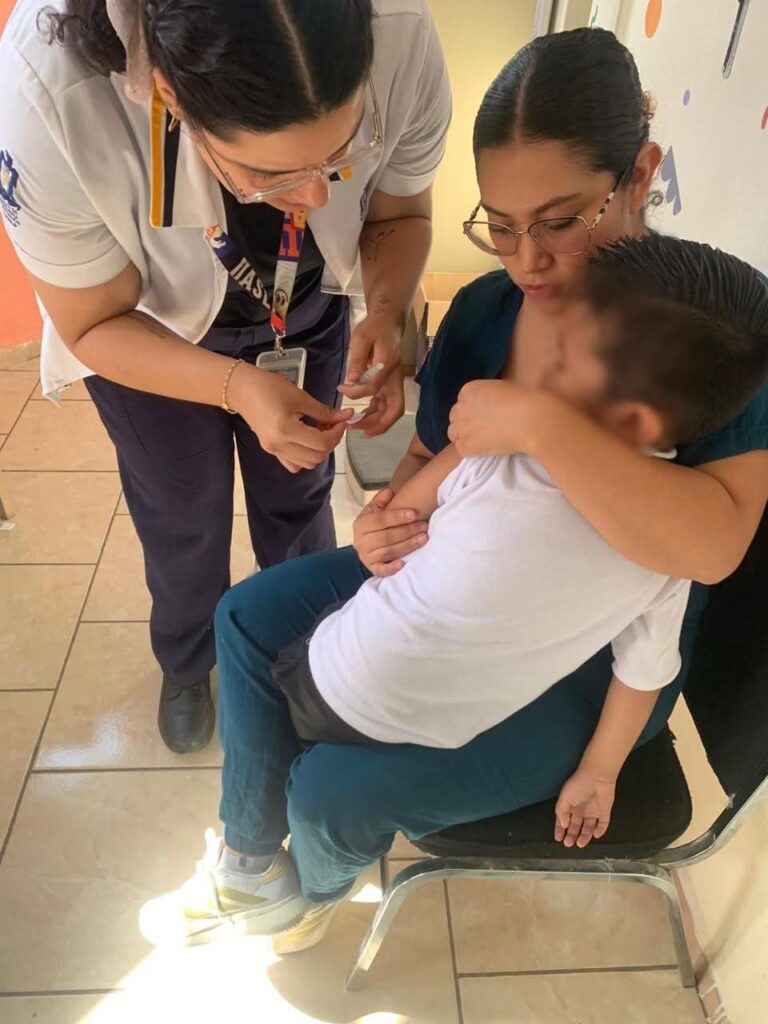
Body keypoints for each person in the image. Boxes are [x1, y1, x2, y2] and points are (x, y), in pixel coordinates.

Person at [142, 27, 768, 955]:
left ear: (640, 175)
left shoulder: (701, 341)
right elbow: (435, 459)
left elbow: (711, 547)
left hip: (586, 666)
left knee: (330, 794)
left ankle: (308, 892)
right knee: (246, 621)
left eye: (560, 221)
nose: (526, 263)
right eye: (500, 227)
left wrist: (542, 423)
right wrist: (392, 515)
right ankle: (247, 866)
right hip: (456, 590)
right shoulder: (486, 312)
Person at [0, 0, 451, 752]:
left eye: (339, 155)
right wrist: (236, 386)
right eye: (270, 172)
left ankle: (308, 643)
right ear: (168, 95)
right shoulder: (46, 91)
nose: (316, 196)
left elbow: (400, 213)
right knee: (181, 515)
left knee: (301, 495)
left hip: (304, 311)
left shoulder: (400, 31)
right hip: (144, 334)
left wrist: (384, 312)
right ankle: (187, 662)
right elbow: (92, 322)